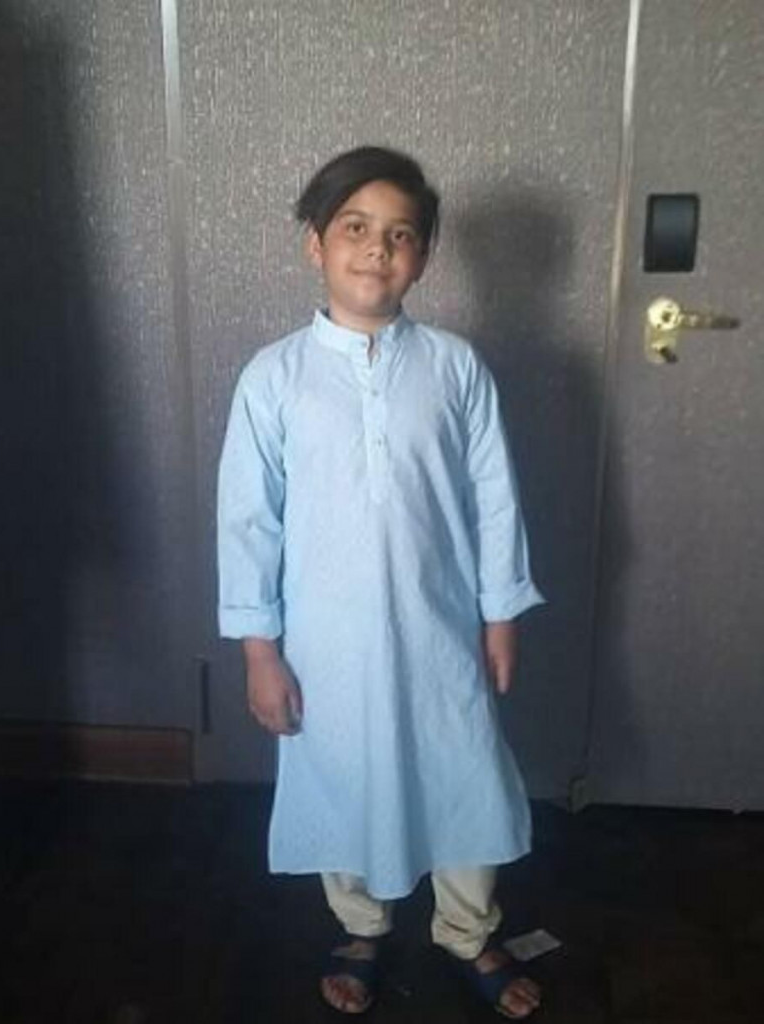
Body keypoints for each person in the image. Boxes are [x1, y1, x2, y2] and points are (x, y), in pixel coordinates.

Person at [217, 146, 544, 1018]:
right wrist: (260, 651)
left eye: (400, 234)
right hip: (325, 641)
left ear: (423, 255)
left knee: (464, 767)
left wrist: (500, 614)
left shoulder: (454, 366)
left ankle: (467, 928)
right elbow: (248, 521)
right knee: (341, 769)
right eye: (355, 228)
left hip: (441, 625)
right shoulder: (274, 378)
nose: (377, 248)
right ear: (315, 244)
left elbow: (495, 498)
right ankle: (361, 924)